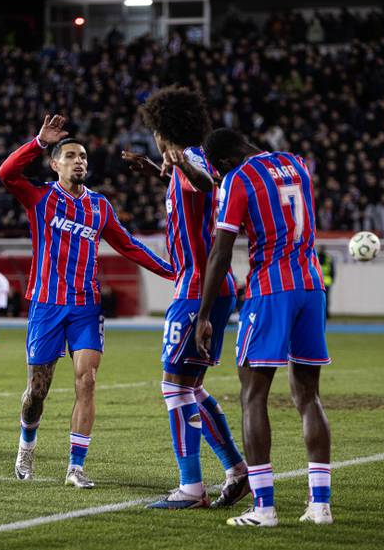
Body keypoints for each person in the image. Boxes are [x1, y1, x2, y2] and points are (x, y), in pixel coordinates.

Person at [0, 114, 174, 489]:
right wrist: (39, 141)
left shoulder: (99, 207)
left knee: (87, 381)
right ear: (55, 164)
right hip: (47, 305)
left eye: (83, 157)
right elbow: (6, 173)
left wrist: (172, 272)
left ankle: (75, 467)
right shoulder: (40, 197)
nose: (80, 161)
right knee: (37, 391)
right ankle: (26, 448)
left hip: (86, 307)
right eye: (71, 155)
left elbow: (129, 246)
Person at [196, 128, 332, 527]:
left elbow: (221, 251)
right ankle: (320, 505)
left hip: (271, 289)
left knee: (253, 395)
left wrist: (204, 315)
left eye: (216, 173)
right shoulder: (297, 163)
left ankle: (264, 507)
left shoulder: (238, 179)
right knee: (309, 395)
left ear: (222, 163)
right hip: (311, 285)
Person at [126, 87, 248, 510]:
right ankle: (236, 470)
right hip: (207, 286)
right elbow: (200, 188)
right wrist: (155, 171)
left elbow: (207, 181)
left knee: (173, 387)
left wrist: (184, 168)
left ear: (164, 131)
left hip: (197, 289)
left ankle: (191, 487)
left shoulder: (191, 159)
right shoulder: (181, 162)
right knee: (190, 387)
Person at [317, 246, 334, 319]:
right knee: (326, 299)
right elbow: (332, 270)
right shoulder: (328, 258)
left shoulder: (315, 256)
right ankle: (326, 314)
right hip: (326, 281)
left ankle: (321, 314)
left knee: (318, 300)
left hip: (318, 282)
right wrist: (332, 279)